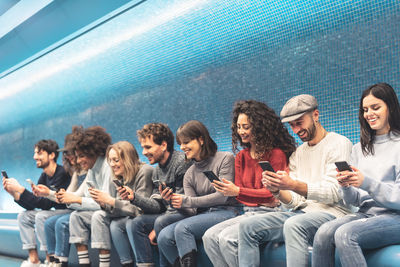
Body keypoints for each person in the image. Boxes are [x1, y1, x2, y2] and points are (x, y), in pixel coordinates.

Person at [238, 94, 353, 267]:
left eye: (299, 122)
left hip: (334, 213)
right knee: (247, 227)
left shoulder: (339, 144)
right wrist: (277, 190)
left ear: (315, 115)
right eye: (292, 125)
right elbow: (294, 202)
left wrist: (293, 185)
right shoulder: (298, 154)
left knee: (294, 224)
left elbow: (334, 192)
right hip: (302, 213)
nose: (296, 130)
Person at [312, 83, 400, 267]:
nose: (369, 114)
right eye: (365, 110)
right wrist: (346, 186)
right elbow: (354, 201)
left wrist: (366, 182)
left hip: (395, 217)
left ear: (390, 107)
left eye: (376, 108)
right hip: (366, 214)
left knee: (346, 234)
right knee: (323, 233)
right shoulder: (359, 149)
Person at [202, 100, 296, 267]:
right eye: (238, 127)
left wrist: (239, 191)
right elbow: (244, 197)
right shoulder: (241, 157)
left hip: (271, 213)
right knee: (208, 237)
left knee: (228, 238)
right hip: (248, 213)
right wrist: (241, 192)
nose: (241, 132)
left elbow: (271, 194)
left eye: (246, 127)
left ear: (259, 127)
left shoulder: (276, 154)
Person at [157, 120, 238, 267]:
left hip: (228, 211)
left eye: (186, 142)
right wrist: (173, 201)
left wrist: (187, 200)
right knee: (163, 237)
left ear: (201, 139)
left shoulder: (225, 158)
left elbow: (223, 196)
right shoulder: (190, 173)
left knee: (183, 228)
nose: (182, 147)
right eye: (180, 143)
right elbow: (192, 211)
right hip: (203, 215)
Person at [112, 123, 192, 267]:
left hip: (187, 212)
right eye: (142, 147)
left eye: (147, 147)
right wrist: (133, 197)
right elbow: (157, 206)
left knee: (160, 223)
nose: (143, 152)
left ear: (163, 145)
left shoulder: (181, 163)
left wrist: (157, 227)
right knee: (137, 222)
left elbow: (185, 203)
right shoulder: (157, 171)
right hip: (170, 213)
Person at [2, 140, 71, 267]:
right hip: (55, 213)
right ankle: (34, 260)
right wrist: (14, 193)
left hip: (68, 212)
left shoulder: (62, 173)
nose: (35, 157)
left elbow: (46, 204)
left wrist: (21, 189)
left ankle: (50, 260)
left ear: (52, 155)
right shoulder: (43, 176)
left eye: (39, 153)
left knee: (42, 216)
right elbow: (32, 205)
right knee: (24, 216)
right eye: (35, 154)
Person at [54, 126, 113, 267]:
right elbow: (81, 199)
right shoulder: (92, 170)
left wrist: (77, 199)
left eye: (81, 156)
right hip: (102, 211)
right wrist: (50, 194)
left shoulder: (108, 166)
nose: (78, 161)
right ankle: (84, 264)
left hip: (115, 211)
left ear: (92, 152)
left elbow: (106, 204)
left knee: (98, 215)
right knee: (76, 216)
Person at [90, 141, 154, 267]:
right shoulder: (121, 176)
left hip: (149, 216)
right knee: (115, 224)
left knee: (130, 223)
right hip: (132, 216)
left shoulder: (145, 171)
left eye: (116, 160)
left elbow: (139, 209)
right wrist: (103, 203)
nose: (112, 165)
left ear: (128, 159)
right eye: (110, 160)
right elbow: (121, 208)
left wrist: (111, 201)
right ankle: (127, 264)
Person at [34, 131, 88, 267]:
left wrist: (51, 194)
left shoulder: (89, 170)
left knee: (60, 223)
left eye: (70, 153)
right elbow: (67, 196)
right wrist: (48, 193)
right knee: (49, 222)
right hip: (79, 208)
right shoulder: (77, 171)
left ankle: (61, 263)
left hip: (87, 209)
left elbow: (74, 197)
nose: (68, 157)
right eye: (66, 154)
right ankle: (53, 261)